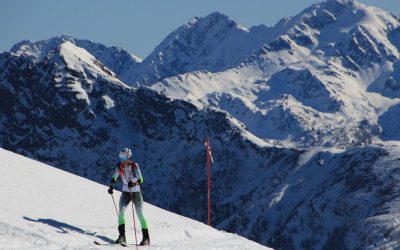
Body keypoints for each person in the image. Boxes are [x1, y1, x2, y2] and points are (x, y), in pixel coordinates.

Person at [107, 148, 150, 246]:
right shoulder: (119, 167)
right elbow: (114, 176)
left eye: (124, 158)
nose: (122, 160)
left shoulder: (135, 166)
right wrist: (111, 185)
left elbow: (141, 179)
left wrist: (134, 184)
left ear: (128, 157)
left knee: (139, 214)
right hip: (125, 192)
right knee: (121, 212)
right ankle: (122, 236)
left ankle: (146, 238)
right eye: (120, 158)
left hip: (136, 193)